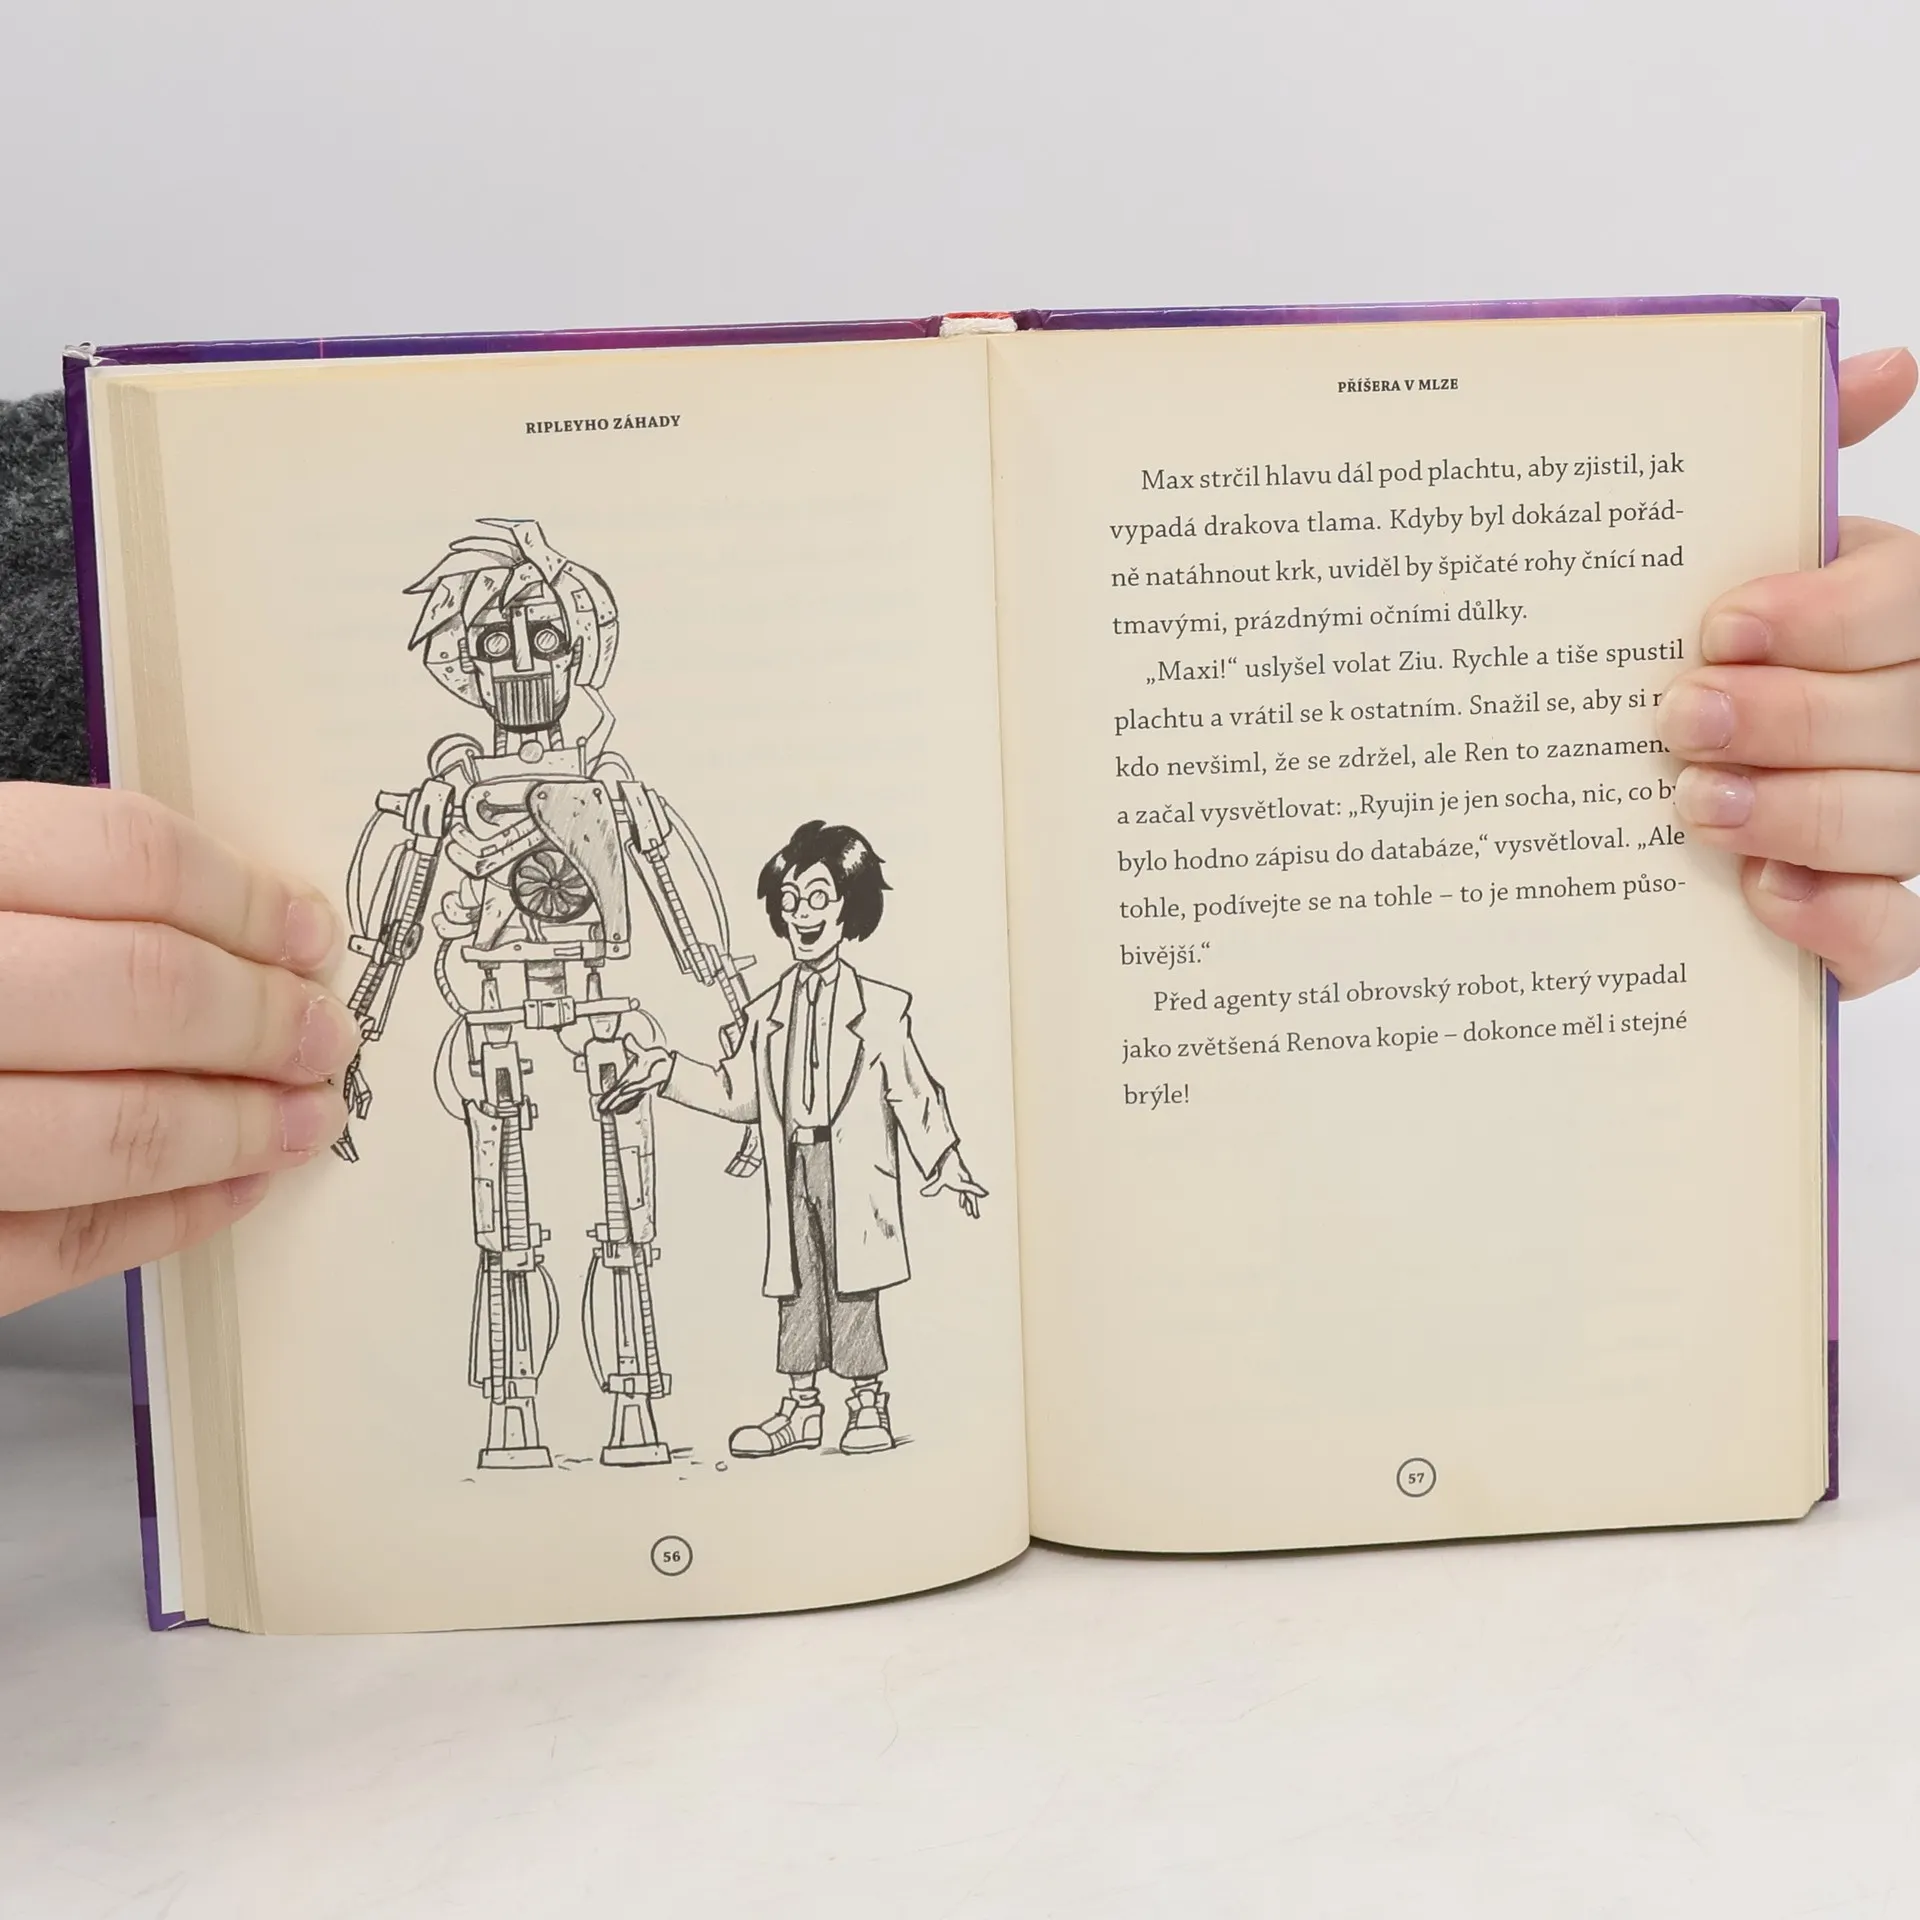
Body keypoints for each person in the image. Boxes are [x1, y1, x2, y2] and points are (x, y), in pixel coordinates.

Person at [2, 347, 1917, 1321]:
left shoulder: (620, 786)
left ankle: (635, 1378)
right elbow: (403, 917)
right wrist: (337, 1042)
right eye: (489, 644)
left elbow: (685, 907)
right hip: (483, 1033)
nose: (514, 668)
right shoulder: (436, 790)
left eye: (539, 639)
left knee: (629, 1218)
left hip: (602, 1018)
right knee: (516, 1219)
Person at [599, 819, 987, 1457]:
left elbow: (912, 1087)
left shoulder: (881, 1008)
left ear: (849, 907)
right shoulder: (766, 1011)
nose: (802, 915)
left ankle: (867, 1405)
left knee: (853, 1284)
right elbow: (739, 1093)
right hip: (793, 1162)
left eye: (818, 898)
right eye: (790, 902)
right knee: (797, 1283)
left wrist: (945, 1160)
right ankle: (801, 1409)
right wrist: (664, 1070)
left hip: (852, 1165)